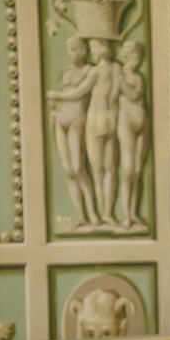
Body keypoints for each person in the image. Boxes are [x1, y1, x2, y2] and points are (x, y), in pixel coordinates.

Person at [47, 37, 98, 229]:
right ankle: (80, 214)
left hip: (77, 118)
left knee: (78, 167)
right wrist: (55, 104)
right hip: (61, 119)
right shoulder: (67, 73)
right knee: (69, 171)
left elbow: (79, 93)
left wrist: (57, 96)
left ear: (83, 51)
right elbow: (63, 96)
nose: (71, 54)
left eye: (75, 49)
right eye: (69, 50)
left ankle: (93, 213)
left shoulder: (90, 71)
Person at [115, 41, 149, 232]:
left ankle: (133, 213)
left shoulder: (137, 78)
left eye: (139, 56)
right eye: (134, 55)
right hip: (126, 122)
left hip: (142, 123)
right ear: (126, 56)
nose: (137, 59)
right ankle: (126, 215)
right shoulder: (119, 76)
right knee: (128, 170)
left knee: (137, 170)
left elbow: (136, 93)